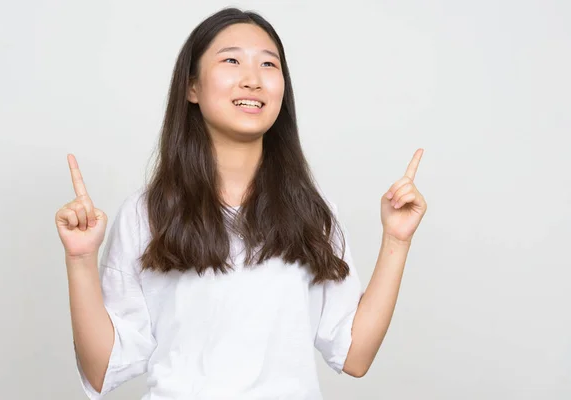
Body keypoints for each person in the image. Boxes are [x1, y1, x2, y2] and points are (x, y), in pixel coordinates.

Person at [55, 7, 427, 400]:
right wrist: (80, 259)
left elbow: (354, 354)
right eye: (231, 60)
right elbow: (101, 369)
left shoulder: (312, 213)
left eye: (269, 65)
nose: (252, 80)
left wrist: (397, 240)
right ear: (192, 87)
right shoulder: (147, 214)